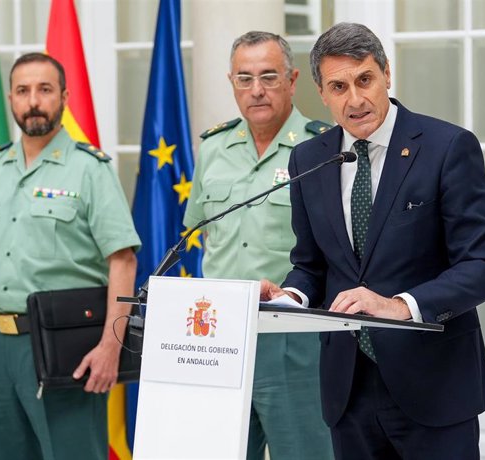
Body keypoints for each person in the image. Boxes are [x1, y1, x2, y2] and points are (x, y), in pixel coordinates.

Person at [260, 23, 485, 460]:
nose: (355, 99)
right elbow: (311, 264)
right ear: (321, 92)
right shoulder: (310, 158)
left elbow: (484, 267)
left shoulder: (447, 147)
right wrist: (291, 296)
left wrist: (399, 306)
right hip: (348, 391)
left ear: (387, 74)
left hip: (434, 386)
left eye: (364, 80)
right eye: (339, 86)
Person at [0, 53, 140, 460]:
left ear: (64, 97)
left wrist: (111, 344)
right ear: (11, 99)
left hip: (64, 343)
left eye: (45, 90)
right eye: (23, 91)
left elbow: (123, 260)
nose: (33, 100)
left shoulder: (90, 168)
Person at [184, 31, 334, 460]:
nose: (256, 90)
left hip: (291, 336)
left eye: (268, 77)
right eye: (244, 79)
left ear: (291, 80)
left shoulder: (321, 146)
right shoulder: (213, 147)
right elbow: (202, 230)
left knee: (305, 452)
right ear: (231, 82)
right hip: (218, 336)